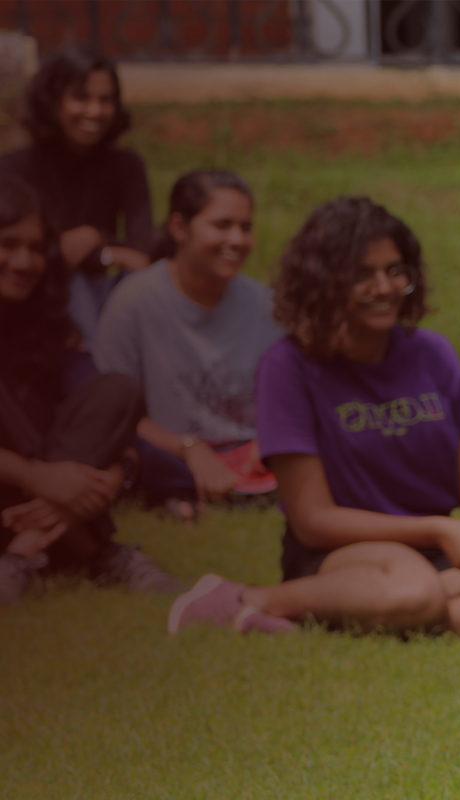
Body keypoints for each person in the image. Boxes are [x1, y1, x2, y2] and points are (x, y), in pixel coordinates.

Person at [168, 196, 460, 636]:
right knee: (412, 590)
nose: (384, 287)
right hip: (343, 551)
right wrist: (435, 530)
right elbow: (313, 519)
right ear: (324, 283)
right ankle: (246, 598)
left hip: (434, 553)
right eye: (363, 275)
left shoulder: (433, 354)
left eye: (395, 271)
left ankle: (365, 612)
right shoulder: (287, 367)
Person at [0, 177, 181, 604]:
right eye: (7, 244)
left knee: (120, 389)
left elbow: (110, 412)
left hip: (28, 494)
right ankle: (97, 552)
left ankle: (23, 549)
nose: (24, 261)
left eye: (36, 247)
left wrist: (118, 472)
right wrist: (35, 476)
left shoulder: (48, 323)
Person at [92, 170, 283, 522]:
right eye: (222, 225)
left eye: (245, 227)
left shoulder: (265, 305)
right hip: (167, 449)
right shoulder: (133, 303)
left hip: (250, 450)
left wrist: (269, 439)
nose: (237, 239)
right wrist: (189, 449)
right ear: (179, 228)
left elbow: (289, 396)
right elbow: (113, 413)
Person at [0, 46, 153, 347]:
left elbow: (143, 256)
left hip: (106, 292)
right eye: (81, 98)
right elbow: (39, 256)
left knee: (144, 285)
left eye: (105, 100)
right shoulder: (14, 169)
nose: (94, 111)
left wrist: (95, 240)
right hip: (37, 295)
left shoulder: (126, 166)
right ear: (52, 102)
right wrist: (106, 252)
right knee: (76, 283)